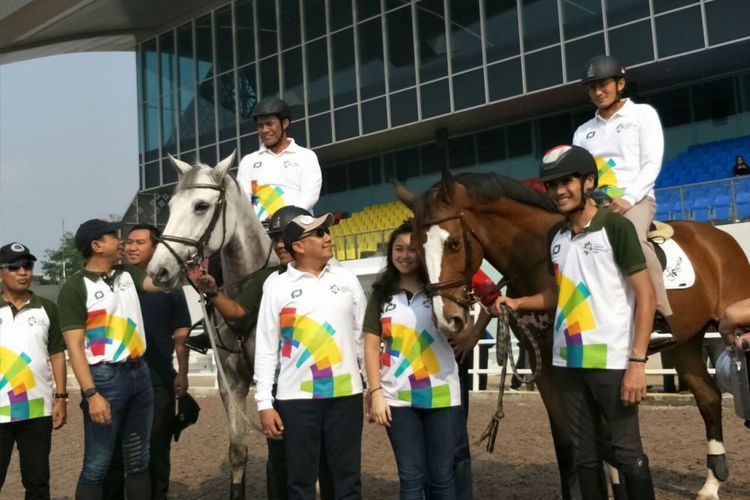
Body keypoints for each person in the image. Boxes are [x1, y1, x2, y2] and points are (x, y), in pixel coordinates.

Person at [493, 145, 656, 499]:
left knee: (627, 453)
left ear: (588, 182)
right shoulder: (556, 238)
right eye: (551, 185)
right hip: (566, 363)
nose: (559, 191)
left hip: (612, 362)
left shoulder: (616, 228)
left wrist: (638, 362)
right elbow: (560, 293)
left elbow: (646, 295)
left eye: (566, 181)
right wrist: (518, 301)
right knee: (583, 455)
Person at [195, 205, 334, 500]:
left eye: (286, 237)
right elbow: (237, 310)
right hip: (284, 387)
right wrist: (212, 293)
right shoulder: (268, 279)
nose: (280, 244)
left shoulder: (336, 277)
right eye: (275, 238)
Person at [254, 213, 366, 499]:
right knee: (300, 481)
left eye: (326, 231)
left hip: (345, 396)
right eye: (318, 233)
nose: (327, 237)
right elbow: (267, 346)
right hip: (296, 400)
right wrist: (264, 402)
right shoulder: (276, 286)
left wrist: (371, 386)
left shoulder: (347, 279)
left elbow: (361, 337)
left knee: (346, 480)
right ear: (298, 246)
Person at [364, 221, 463, 499]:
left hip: (442, 396)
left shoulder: (440, 292)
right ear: (390, 253)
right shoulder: (381, 295)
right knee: (410, 478)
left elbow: (464, 330)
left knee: (443, 478)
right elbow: (370, 346)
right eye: (398, 249)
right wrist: (376, 393)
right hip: (397, 399)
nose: (405, 255)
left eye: (411, 249)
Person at [57, 219, 155, 499]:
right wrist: (92, 394)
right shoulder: (74, 288)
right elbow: (75, 349)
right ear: (96, 246)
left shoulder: (127, 274)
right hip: (104, 379)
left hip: (140, 374)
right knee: (97, 465)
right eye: (113, 236)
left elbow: (154, 283)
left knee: (138, 461)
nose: (121, 241)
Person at [573, 55, 672, 324]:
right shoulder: (582, 132)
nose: (598, 91)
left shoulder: (643, 114)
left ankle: (659, 313)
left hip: (637, 199)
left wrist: (628, 198)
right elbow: (582, 177)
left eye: (604, 84)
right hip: (596, 203)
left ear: (621, 84)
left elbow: (652, 162)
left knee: (634, 239)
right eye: (592, 87)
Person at [103, 224, 192, 499]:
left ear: (156, 247)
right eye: (128, 242)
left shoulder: (170, 289)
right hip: (116, 381)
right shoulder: (111, 282)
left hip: (158, 382)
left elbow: (181, 335)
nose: (131, 247)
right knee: (114, 454)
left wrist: (183, 374)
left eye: (140, 242)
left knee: (156, 451)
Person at [0, 242, 68, 499]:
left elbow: (57, 354)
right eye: (14, 266)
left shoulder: (47, 309)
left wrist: (61, 398)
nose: (22, 272)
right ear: (1, 272)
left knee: (38, 482)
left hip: (36, 409)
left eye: (27, 266)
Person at [236, 96, 323, 224]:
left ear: (285, 123)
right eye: (260, 125)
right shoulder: (248, 161)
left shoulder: (306, 156)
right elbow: (243, 199)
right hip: (261, 232)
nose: (264, 130)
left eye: (269, 124)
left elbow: (310, 196)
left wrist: (285, 218)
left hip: (297, 227)